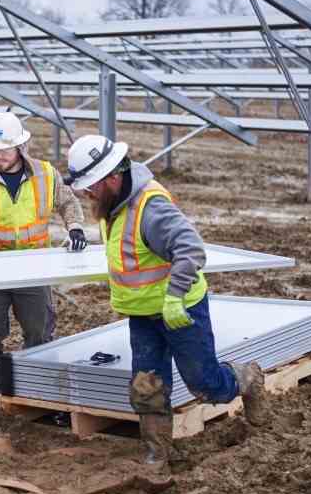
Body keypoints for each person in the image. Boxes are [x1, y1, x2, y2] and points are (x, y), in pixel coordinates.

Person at [64, 134, 268, 467]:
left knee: (205, 384)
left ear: (112, 177)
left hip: (180, 310)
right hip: (143, 315)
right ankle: (158, 454)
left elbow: (191, 249)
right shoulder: (112, 205)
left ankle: (247, 378)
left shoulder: (150, 208)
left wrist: (174, 298)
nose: (88, 194)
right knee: (146, 388)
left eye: (91, 187)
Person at [0, 112, 87, 416]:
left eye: (5, 150)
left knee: (39, 332)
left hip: (33, 266)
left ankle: (36, 393)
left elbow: (69, 202)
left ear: (21, 146)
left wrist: (75, 227)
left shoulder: (46, 174)